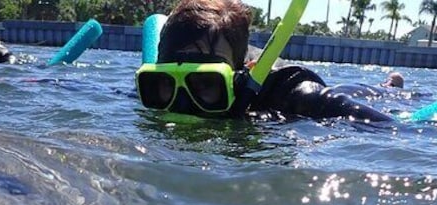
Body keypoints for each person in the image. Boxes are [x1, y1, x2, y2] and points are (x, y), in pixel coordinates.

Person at [135, 0, 391, 122]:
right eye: (168, 83)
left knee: (367, 91)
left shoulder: (290, 92)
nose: (181, 105)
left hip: (346, 90)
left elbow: (386, 126)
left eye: (205, 83)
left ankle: (389, 85)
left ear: (240, 76)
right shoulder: (154, 89)